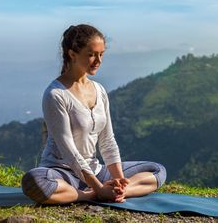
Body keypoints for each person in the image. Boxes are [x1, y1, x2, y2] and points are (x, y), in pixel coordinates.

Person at [21, 24, 166, 204]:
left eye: (101, 54)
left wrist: (119, 182)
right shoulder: (55, 95)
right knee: (34, 182)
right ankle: (90, 195)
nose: (98, 60)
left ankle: (118, 192)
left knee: (157, 170)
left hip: (96, 171)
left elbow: (107, 140)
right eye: (91, 54)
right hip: (63, 172)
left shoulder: (99, 90)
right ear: (72, 54)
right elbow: (69, 152)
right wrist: (98, 188)